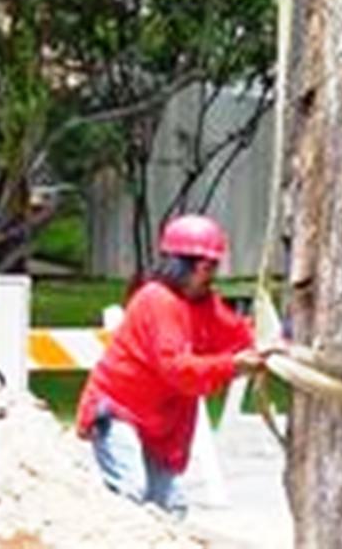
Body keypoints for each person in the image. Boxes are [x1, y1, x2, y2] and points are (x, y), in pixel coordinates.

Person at [76, 214, 265, 518]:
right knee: (130, 491)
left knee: (170, 507)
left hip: (158, 422)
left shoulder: (204, 304)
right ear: (182, 265)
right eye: (206, 267)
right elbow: (176, 368)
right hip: (118, 411)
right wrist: (232, 365)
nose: (211, 274)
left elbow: (238, 335)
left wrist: (271, 348)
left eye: (212, 266)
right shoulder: (157, 301)